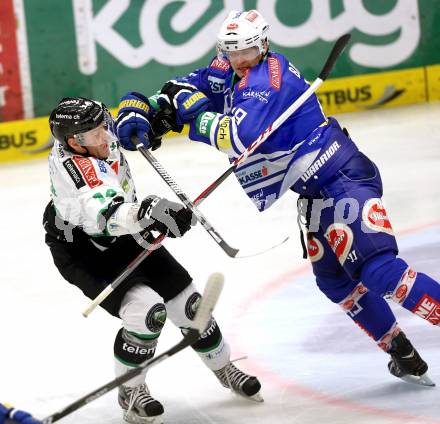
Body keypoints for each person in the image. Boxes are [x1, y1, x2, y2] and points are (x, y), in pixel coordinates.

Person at [116, 10, 440, 387]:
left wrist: (189, 116)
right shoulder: (231, 64)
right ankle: (402, 353)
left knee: (379, 271)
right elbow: (190, 87)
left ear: (264, 44)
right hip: (316, 193)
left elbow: (237, 136)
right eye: (230, 50)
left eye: (247, 50)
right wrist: (148, 108)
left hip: (342, 178)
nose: (238, 59)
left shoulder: (267, 80)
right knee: (335, 282)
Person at [43, 97, 262, 424]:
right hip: (85, 247)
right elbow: (106, 213)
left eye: (105, 125)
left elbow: (136, 112)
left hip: (124, 231)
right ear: (75, 142)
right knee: (146, 313)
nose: (106, 135)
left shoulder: (94, 135)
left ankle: (223, 366)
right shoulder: (77, 173)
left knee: (189, 305)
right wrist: (152, 213)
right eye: (97, 132)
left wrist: (147, 117)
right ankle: (130, 391)